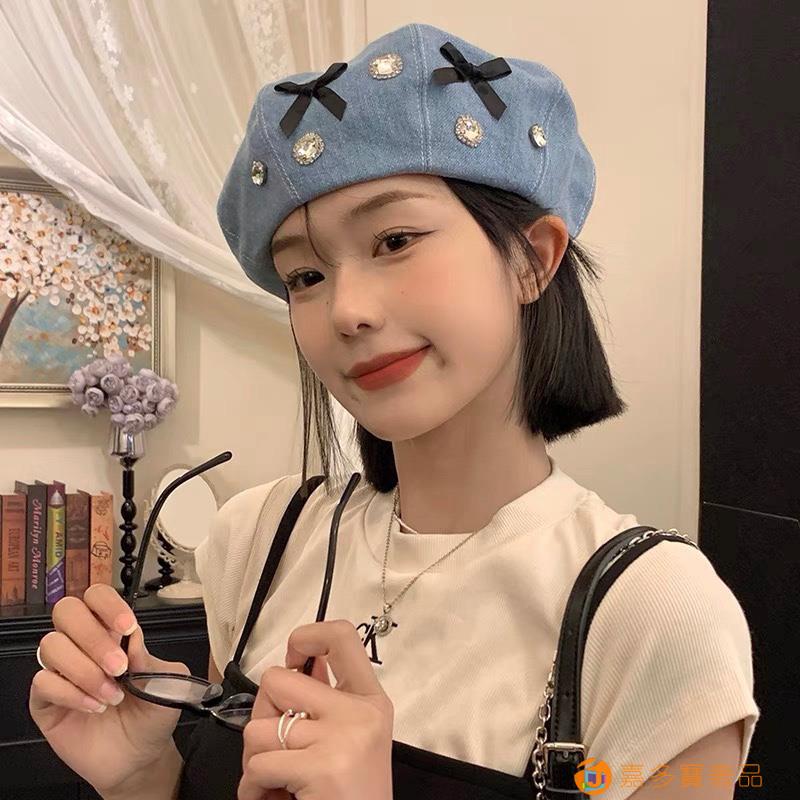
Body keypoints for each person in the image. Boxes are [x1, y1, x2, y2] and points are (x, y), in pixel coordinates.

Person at [29, 21, 760, 800]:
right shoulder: (260, 540)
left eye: (395, 239)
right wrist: (143, 774)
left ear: (533, 259)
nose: (347, 310)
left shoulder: (654, 613)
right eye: (305, 277)